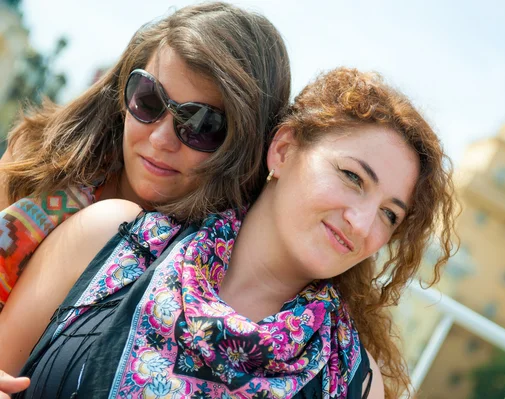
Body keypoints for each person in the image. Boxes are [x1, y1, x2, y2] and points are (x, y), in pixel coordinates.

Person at [0, 68, 456, 398]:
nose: (361, 221)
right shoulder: (111, 241)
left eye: (389, 215)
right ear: (283, 150)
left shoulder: (353, 382)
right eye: (353, 177)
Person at [0, 2, 291, 309]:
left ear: (244, 150)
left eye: (202, 124)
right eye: (149, 99)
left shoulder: (201, 281)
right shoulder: (39, 156)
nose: (160, 138)